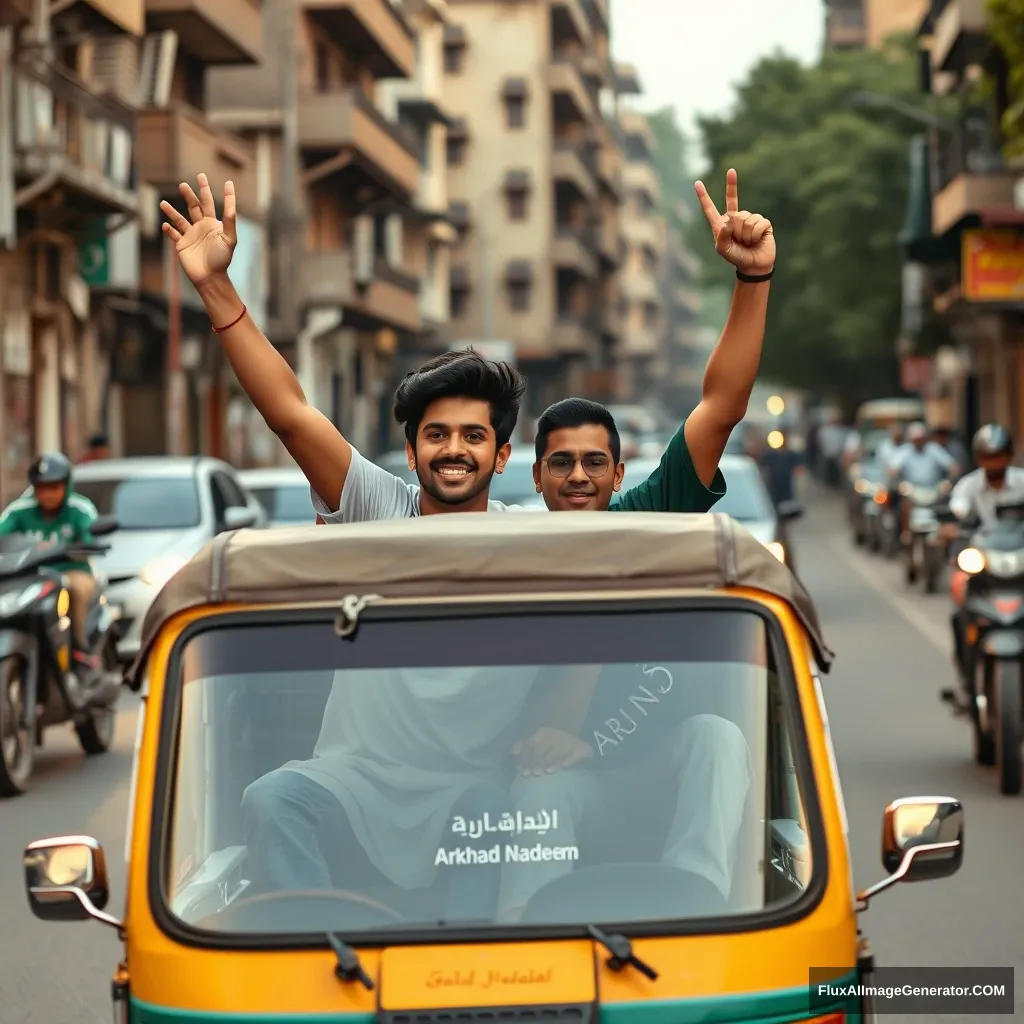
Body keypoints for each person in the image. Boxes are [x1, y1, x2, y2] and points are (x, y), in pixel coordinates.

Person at [159, 169, 774, 521]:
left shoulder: (537, 539)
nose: (454, 449)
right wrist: (214, 286)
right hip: (365, 756)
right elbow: (290, 415)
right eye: (437, 434)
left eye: (474, 436)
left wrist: (753, 279)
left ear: (505, 458)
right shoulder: (379, 510)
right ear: (409, 449)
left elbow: (720, 410)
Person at [0, 454, 99, 675]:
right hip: (32, 577)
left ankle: (79, 646)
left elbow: (91, 535)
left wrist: (84, 545)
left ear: (66, 485)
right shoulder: (19, 511)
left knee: (77, 589)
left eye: (54, 487)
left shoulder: (79, 509)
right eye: (42, 488)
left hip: (71, 572)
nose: (47, 494)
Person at [944, 424, 1024, 687]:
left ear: (1009, 456)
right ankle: (967, 671)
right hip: (982, 566)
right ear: (979, 458)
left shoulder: (1022, 482)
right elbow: (957, 511)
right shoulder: (969, 486)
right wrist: (951, 528)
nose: (994, 462)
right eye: (988, 456)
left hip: (1018, 561)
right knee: (958, 598)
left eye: (999, 455)